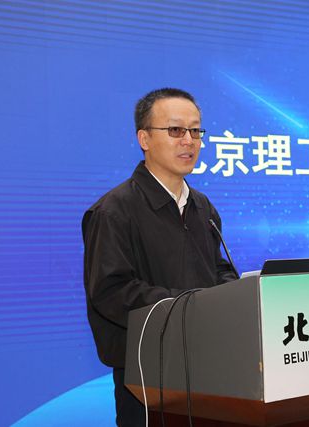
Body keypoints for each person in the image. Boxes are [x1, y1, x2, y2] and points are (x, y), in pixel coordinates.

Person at [82, 88, 238, 426]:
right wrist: (192, 306)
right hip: (147, 377)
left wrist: (237, 294)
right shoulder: (114, 211)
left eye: (195, 131)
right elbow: (111, 292)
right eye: (176, 130)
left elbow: (218, 270)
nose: (189, 141)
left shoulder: (203, 207)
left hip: (209, 366)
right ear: (144, 139)